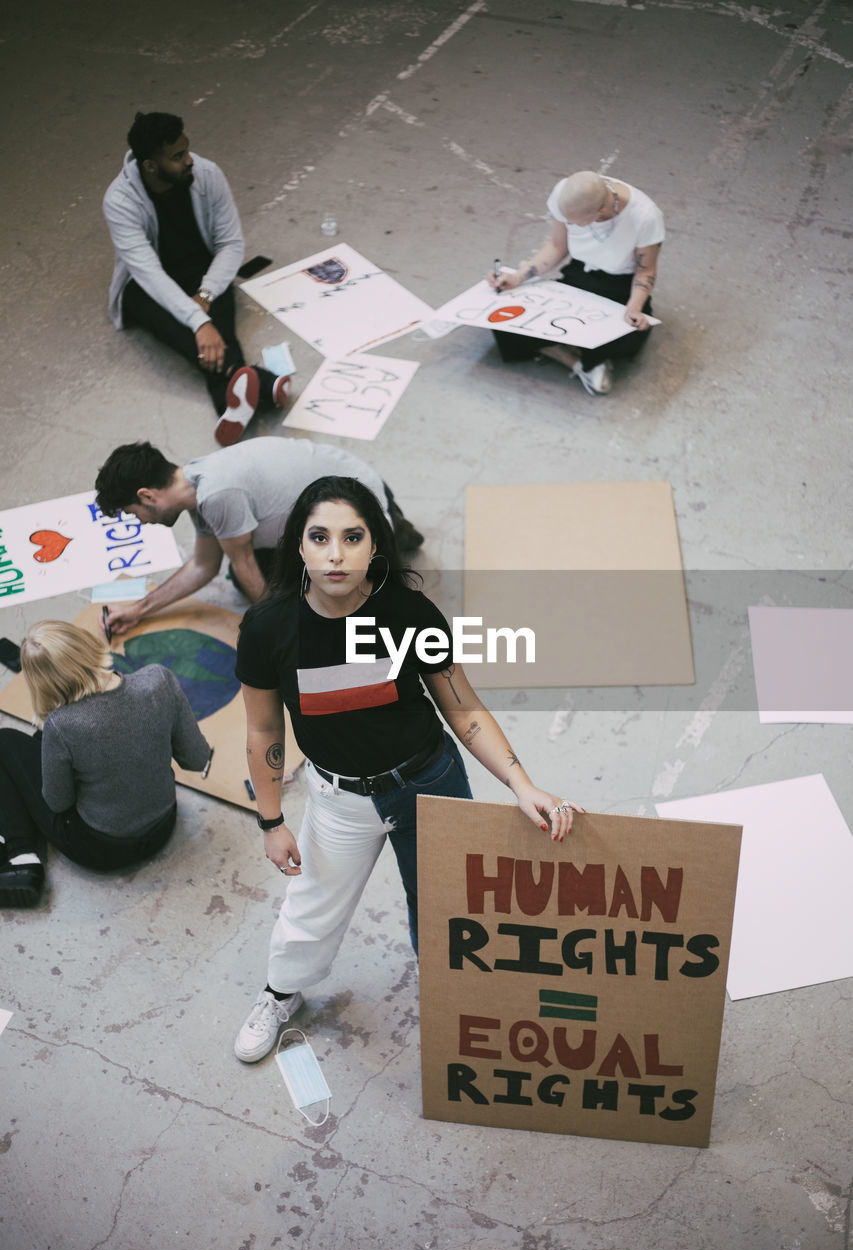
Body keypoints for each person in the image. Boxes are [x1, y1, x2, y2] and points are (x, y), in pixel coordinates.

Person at [232, 475, 584, 1062]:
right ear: (297, 545)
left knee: (449, 906)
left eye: (353, 537)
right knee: (312, 906)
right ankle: (281, 993)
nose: (336, 554)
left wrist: (522, 785)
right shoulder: (269, 628)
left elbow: (463, 708)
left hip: (430, 784)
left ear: (375, 546)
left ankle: (456, 1003)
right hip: (341, 800)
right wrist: (271, 821)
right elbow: (264, 730)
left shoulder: (407, 613)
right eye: (319, 537)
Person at [95, 438, 424, 636]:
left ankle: (387, 543)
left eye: (131, 512)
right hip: (353, 485)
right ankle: (394, 534)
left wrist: (286, 640)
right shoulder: (199, 479)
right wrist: (139, 610)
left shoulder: (217, 493)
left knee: (322, 623)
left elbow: (244, 564)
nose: (138, 521)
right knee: (253, 578)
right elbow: (203, 565)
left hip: (363, 511)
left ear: (147, 495)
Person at [103, 110, 288, 446]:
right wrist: (200, 323)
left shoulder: (207, 174)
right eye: (177, 157)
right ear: (150, 166)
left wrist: (204, 296)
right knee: (151, 306)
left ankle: (233, 395)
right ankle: (250, 379)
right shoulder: (119, 201)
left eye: (186, 150)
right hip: (148, 286)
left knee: (218, 312)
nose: (189, 161)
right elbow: (148, 273)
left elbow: (230, 244)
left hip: (202, 275)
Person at [0, 621, 210, 907]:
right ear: (87, 643)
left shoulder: (62, 725)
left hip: (98, 849)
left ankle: (21, 855)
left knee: (5, 741)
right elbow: (197, 759)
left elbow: (59, 802)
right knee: (43, 744)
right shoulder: (158, 680)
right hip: (162, 825)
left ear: (41, 681)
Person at [487, 170, 664, 395]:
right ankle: (577, 362)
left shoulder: (645, 216)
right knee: (505, 318)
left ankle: (559, 349)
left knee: (631, 335)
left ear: (600, 213)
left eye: (575, 223)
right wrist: (517, 277)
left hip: (620, 284)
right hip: (580, 273)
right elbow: (558, 246)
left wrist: (635, 307)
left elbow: (646, 270)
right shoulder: (565, 194)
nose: (568, 223)